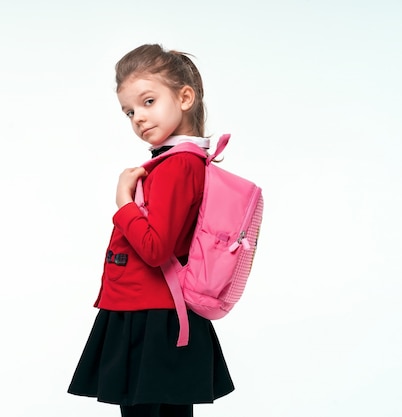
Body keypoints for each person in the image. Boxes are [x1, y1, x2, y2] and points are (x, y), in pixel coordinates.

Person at [67, 44, 235, 417]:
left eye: (148, 101)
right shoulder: (182, 162)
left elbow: (157, 248)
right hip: (157, 311)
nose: (138, 118)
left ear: (185, 97)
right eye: (129, 112)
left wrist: (124, 202)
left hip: (151, 316)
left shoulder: (177, 166)